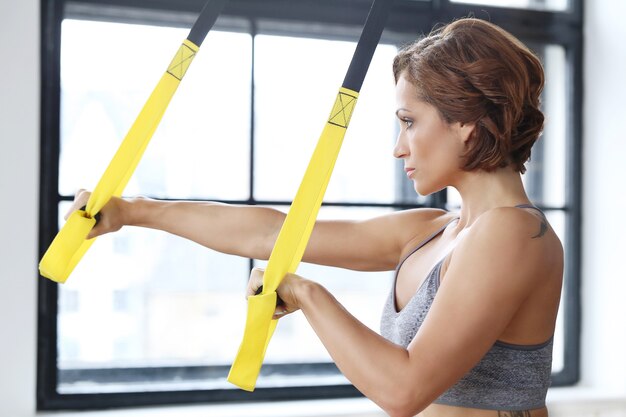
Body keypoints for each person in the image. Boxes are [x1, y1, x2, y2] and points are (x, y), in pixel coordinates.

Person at [66, 18, 563, 417]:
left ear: (467, 123)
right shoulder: (432, 231)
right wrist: (134, 212)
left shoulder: (513, 233)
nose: (398, 147)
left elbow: (403, 389)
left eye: (409, 122)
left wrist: (307, 293)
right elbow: (271, 232)